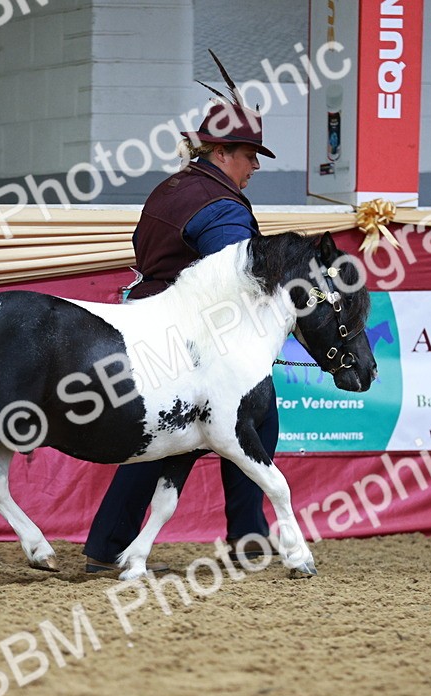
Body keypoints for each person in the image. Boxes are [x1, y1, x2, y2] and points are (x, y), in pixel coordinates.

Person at [83, 60, 279, 574]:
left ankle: (108, 545)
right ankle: (247, 538)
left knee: (155, 439)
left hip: (147, 320)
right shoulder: (223, 207)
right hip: (191, 336)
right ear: (221, 152)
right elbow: (234, 278)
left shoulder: (171, 188)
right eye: (249, 155)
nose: (255, 166)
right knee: (254, 417)